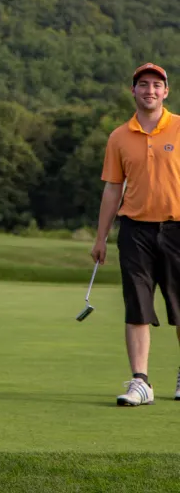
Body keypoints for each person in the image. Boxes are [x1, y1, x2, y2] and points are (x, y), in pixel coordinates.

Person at [93, 62, 180, 406]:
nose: (150, 91)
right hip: (134, 230)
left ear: (166, 92)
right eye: (143, 85)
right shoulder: (119, 136)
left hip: (177, 227)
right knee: (137, 305)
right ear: (133, 90)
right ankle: (140, 381)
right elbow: (113, 190)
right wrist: (100, 238)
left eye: (156, 85)